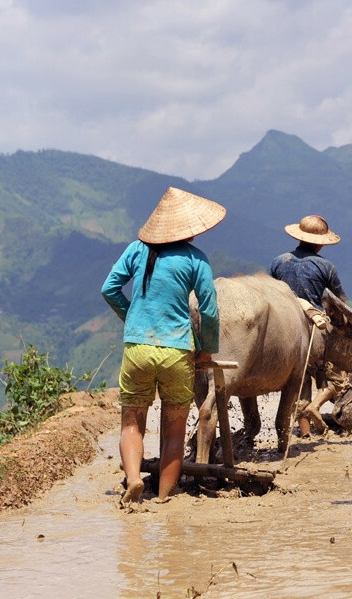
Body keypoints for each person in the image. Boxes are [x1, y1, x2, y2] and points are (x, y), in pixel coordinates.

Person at [102, 187, 225, 504]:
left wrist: (132, 317)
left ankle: (133, 480)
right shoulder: (196, 259)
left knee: (132, 422)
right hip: (177, 351)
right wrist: (207, 347)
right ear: (190, 230)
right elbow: (209, 309)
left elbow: (110, 288)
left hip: (137, 350)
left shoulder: (136, 250)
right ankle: (166, 498)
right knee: (173, 428)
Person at [269, 214, 348, 438]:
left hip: (284, 326)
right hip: (315, 327)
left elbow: (273, 294)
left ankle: (304, 433)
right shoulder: (326, 267)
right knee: (336, 378)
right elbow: (340, 302)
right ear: (321, 242)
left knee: (299, 380)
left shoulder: (279, 261)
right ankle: (316, 406)